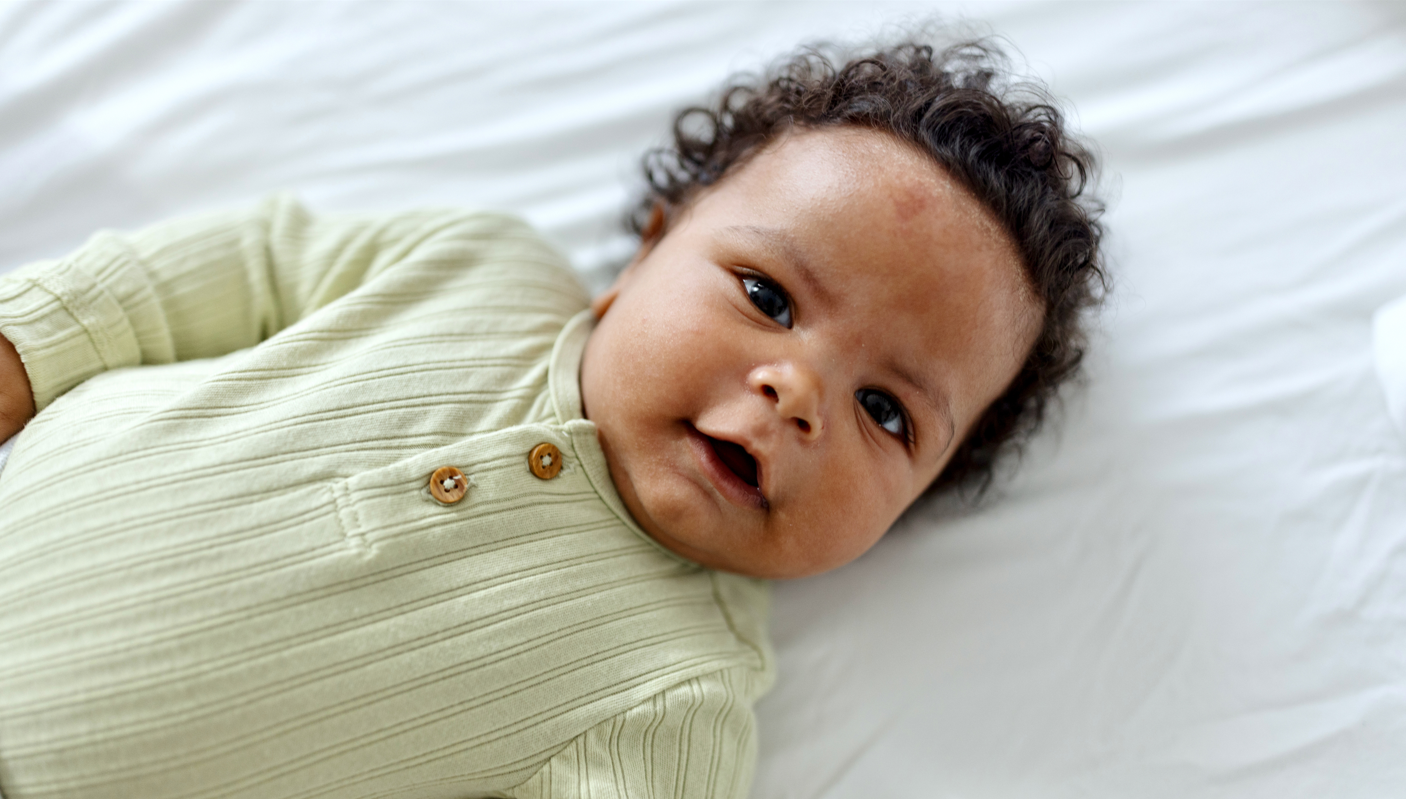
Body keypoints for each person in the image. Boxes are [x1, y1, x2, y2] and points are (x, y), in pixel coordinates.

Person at [0, 37, 1103, 799]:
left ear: (916, 499)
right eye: (766, 297)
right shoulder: (466, 266)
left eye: (886, 411)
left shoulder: (672, 699)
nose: (798, 392)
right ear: (646, 252)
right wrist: (23, 351)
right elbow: (197, 276)